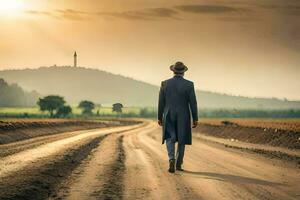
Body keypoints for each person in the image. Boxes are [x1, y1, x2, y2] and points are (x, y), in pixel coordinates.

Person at [158, 61, 198, 173]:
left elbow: (161, 102)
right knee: (181, 139)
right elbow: (193, 103)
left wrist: (160, 117)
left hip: (168, 113)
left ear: (173, 71)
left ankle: (171, 158)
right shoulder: (189, 84)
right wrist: (195, 118)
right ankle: (178, 164)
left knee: (170, 138)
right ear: (183, 72)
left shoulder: (164, 83)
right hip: (184, 114)